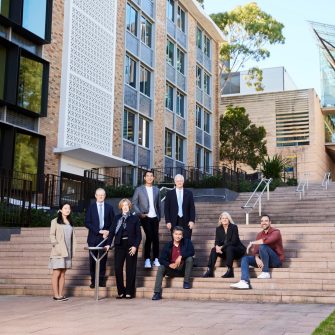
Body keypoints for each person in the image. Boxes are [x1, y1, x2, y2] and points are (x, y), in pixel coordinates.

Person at [230, 214, 284, 289]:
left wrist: (252, 242)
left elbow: (267, 241)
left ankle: (265, 272)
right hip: (264, 260)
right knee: (245, 259)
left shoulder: (276, 232)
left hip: (275, 261)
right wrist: (256, 258)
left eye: (266, 221)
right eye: (262, 221)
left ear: (270, 222)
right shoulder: (259, 234)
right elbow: (255, 251)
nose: (264, 222)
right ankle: (244, 281)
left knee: (263, 246)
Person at [105, 199, 142, 299]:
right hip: (119, 245)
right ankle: (121, 291)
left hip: (131, 246)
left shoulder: (134, 218)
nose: (125, 207)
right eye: (123, 205)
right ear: (120, 207)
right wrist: (108, 244)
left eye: (127, 205)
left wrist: (135, 246)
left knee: (130, 269)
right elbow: (112, 232)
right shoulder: (117, 218)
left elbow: (139, 235)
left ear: (129, 207)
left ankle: (129, 292)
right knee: (117, 268)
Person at [152, 226, 195, 300]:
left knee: (190, 259)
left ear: (182, 235)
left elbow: (192, 252)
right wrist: (169, 265)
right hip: (171, 269)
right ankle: (157, 293)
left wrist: (181, 256)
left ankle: (186, 282)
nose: (178, 236)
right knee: (161, 267)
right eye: (176, 234)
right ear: (173, 234)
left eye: (180, 234)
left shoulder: (187, 242)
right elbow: (161, 259)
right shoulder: (168, 245)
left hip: (182, 269)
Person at [85, 188, 114, 288]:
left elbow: (113, 223)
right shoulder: (91, 208)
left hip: (104, 238)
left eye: (103, 195)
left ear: (105, 196)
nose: (101, 196)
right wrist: (99, 231)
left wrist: (108, 232)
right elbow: (87, 223)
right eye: (99, 195)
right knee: (92, 261)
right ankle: (93, 281)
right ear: (95, 196)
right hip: (93, 238)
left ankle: (101, 281)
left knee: (103, 260)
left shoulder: (109, 208)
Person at [132, 170, 161, 269]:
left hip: (155, 217)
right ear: (144, 178)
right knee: (149, 236)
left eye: (151, 176)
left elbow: (159, 205)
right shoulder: (139, 189)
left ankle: (156, 258)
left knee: (156, 238)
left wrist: (159, 216)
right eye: (147, 176)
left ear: (153, 178)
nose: (149, 177)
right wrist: (140, 214)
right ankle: (147, 259)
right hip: (145, 216)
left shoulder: (156, 190)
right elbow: (134, 203)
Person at [203, 212, 246, 278]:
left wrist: (222, 247)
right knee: (214, 249)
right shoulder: (218, 228)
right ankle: (210, 270)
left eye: (226, 218)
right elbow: (217, 241)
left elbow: (234, 242)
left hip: (236, 250)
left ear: (229, 219)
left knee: (229, 247)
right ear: (220, 220)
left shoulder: (234, 227)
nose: (224, 219)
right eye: (223, 218)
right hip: (226, 252)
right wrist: (217, 247)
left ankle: (230, 270)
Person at [49, 203, 76, 301]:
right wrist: (56, 245)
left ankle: (60, 294)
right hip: (58, 251)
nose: (67, 210)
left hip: (67, 251)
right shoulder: (55, 221)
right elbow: (52, 235)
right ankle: (56, 295)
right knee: (56, 272)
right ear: (60, 210)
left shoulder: (69, 222)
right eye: (65, 208)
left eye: (69, 208)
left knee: (63, 273)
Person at [164, 174, 195, 240]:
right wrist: (168, 221)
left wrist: (192, 220)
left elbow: (192, 208)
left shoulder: (189, 193)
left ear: (183, 182)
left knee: (187, 240)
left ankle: (186, 250)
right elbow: (166, 209)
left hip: (186, 221)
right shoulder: (169, 193)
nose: (179, 182)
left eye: (181, 181)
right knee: (175, 241)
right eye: (177, 181)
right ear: (175, 182)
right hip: (174, 221)